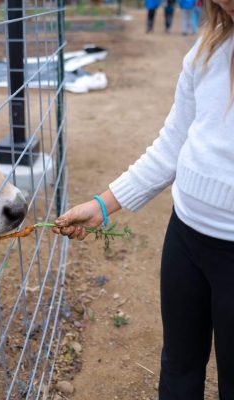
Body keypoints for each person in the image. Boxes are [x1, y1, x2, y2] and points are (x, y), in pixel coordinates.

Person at [53, 0, 234, 397]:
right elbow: (172, 144)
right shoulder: (209, 48)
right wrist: (103, 205)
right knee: (178, 365)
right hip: (186, 236)